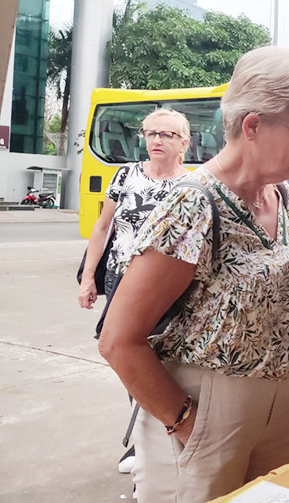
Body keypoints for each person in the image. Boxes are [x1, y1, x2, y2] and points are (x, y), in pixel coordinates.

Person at [98, 46, 289, 503]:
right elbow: (118, 339)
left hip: (280, 395)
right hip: (205, 404)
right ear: (253, 125)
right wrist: (185, 420)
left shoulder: (280, 195)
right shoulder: (193, 204)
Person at [77, 108, 191, 474]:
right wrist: (88, 277)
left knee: (162, 362)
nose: (156, 140)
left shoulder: (192, 185)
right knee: (126, 356)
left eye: (167, 135)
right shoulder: (125, 175)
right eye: (151, 132)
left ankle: (165, 434)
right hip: (120, 280)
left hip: (168, 287)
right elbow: (102, 228)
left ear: (184, 143)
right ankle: (142, 441)